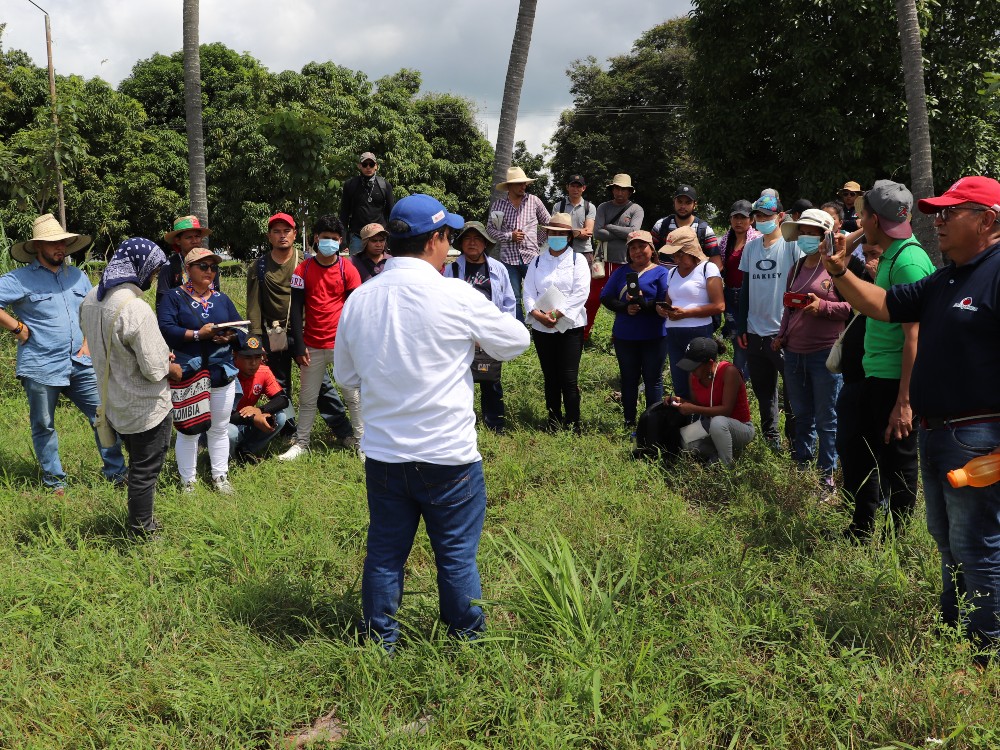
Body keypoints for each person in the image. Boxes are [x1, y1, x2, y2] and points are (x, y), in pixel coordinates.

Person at [334, 193, 530, 650]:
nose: (453, 247)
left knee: (384, 556)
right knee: (456, 557)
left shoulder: (360, 299)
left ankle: (379, 643)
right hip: (449, 458)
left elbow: (346, 375)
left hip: (385, 456)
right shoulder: (455, 294)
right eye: (449, 238)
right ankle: (466, 642)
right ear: (435, 241)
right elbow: (515, 340)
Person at [821, 175, 1000, 661]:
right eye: (935, 212)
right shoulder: (947, 277)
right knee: (946, 540)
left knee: (978, 545)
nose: (936, 221)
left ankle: (986, 650)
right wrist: (840, 272)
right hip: (938, 430)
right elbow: (881, 305)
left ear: (988, 220)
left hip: (982, 435)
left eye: (949, 212)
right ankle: (954, 633)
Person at [830, 181, 934, 539]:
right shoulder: (889, 251)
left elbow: (915, 336)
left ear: (875, 219)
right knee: (854, 449)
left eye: (862, 215)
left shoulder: (908, 261)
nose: (857, 220)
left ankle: (897, 542)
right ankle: (861, 527)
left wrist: (904, 403)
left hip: (895, 381)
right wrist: (856, 236)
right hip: (871, 375)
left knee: (897, 464)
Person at [0, 213, 126, 493]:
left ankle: (117, 475)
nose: (60, 248)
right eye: (53, 243)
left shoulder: (77, 276)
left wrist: (90, 341)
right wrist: (17, 327)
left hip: (81, 362)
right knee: (44, 424)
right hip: (40, 364)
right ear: (38, 247)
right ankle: (55, 482)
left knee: (102, 417)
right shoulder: (20, 279)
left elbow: (93, 310)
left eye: (64, 243)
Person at [80, 238, 182, 537]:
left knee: (137, 465)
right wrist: (171, 367)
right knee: (144, 471)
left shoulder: (89, 300)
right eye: (152, 272)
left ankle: (141, 522)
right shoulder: (135, 308)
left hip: (114, 403)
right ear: (140, 268)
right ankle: (142, 529)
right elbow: (153, 369)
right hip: (145, 407)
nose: (153, 278)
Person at [246, 212, 356, 445]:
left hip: (305, 334)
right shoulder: (259, 266)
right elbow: (253, 306)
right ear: (269, 236)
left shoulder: (305, 261)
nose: (282, 236)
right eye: (276, 231)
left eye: (286, 231)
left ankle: (344, 430)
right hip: (273, 335)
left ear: (295, 234)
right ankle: (287, 431)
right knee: (279, 384)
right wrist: (255, 342)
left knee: (323, 386)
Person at [773, 209, 860, 493]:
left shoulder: (837, 266)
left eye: (813, 232)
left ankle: (827, 477)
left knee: (827, 418)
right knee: (801, 414)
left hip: (824, 354)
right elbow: (789, 306)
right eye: (803, 232)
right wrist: (781, 335)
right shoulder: (796, 268)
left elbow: (854, 308)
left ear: (825, 237)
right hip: (794, 352)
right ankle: (802, 465)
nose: (807, 237)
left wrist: (822, 307)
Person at [158, 247, 243, 494]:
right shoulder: (173, 297)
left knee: (219, 427)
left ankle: (220, 477)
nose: (210, 271)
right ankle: (188, 482)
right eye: (203, 266)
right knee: (189, 429)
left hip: (221, 372)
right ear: (188, 269)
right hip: (189, 374)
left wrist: (229, 336)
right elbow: (165, 328)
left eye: (214, 267)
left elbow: (239, 327)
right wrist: (197, 334)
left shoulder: (221, 298)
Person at [280, 216, 363, 461]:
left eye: (334, 239)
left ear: (341, 242)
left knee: (353, 396)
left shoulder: (347, 269)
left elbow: (355, 308)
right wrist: (299, 344)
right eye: (325, 237)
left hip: (342, 346)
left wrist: (354, 344)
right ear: (315, 238)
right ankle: (301, 443)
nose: (329, 242)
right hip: (312, 345)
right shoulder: (302, 269)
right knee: (307, 398)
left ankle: (361, 443)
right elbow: (295, 309)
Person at [736, 193, 802, 451]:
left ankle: (795, 440)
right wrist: (742, 326)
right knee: (764, 391)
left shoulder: (791, 246)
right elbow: (744, 290)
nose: (762, 220)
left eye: (767, 216)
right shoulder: (751, 248)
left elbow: (801, 285)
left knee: (793, 392)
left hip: (783, 333)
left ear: (780, 217)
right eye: (759, 216)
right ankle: (771, 437)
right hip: (755, 332)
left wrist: (792, 327)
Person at [523, 213, 592, 433]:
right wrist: (536, 313)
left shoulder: (577, 260)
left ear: (569, 237)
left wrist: (559, 314)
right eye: (552, 232)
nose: (556, 237)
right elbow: (528, 291)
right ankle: (553, 421)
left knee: (568, 378)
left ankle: (573, 423)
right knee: (550, 376)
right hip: (542, 326)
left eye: (561, 234)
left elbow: (581, 292)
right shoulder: (537, 260)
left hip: (569, 326)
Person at [448, 221, 517, 433]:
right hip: (462, 334)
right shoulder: (452, 269)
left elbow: (509, 302)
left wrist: (503, 331)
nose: (472, 243)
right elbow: (445, 302)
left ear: (485, 243)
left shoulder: (498, 268)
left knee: (492, 379)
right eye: (467, 238)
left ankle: (495, 423)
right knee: (461, 379)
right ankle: (463, 425)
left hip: (490, 332)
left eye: (477, 238)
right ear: (461, 244)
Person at [600, 230, 670, 429]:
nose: (637, 251)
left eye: (642, 246)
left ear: (652, 249)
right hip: (625, 335)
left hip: (654, 335)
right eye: (633, 247)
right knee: (629, 379)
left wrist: (641, 301)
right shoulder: (620, 272)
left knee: (653, 380)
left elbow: (662, 304)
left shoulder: (661, 272)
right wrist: (625, 307)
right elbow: (605, 297)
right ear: (628, 251)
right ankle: (629, 422)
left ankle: (652, 423)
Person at [658, 226, 725, 401]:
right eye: (673, 255)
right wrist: (663, 309)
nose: (676, 258)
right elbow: (670, 301)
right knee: (680, 382)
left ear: (691, 250)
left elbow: (719, 306)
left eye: (680, 254)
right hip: (673, 334)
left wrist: (686, 313)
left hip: (698, 334)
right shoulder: (672, 273)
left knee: (701, 382)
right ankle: (685, 422)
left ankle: (704, 421)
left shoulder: (707, 269)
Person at [670, 337, 754, 466]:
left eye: (694, 367)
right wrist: (680, 401)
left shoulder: (729, 371)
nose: (691, 371)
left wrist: (693, 409)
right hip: (712, 425)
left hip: (740, 428)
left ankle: (727, 466)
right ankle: (716, 455)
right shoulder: (694, 376)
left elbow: (726, 410)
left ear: (709, 363)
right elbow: (699, 405)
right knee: (684, 440)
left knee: (718, 422)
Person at [486, 166, 551, 321]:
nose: (523, 186)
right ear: (509, 186)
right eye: (519, 183)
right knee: (513, 295)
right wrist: (510, 236)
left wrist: (538, 240)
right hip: (508, 259)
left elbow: (548, 223)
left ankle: (540, 325)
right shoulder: (498, 206)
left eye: (524, 183)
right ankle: (519, 328)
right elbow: (490, 230)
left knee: (537, 291)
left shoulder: (534, 201)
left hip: (531, 256)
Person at [551, 175, 600, 340]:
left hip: (584, 253)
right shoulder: (559, 205)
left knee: (582, 290)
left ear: (583, 188)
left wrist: (569, 231)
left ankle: (580, 327)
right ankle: (559, 322)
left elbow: (589, 233)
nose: (575, 189)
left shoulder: (589, 207)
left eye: (579, 186)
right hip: (561, 252)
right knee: (561, 288)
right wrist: (578, 231)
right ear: (567, 187)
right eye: (573, 185)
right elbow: (554, 229)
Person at [717, 200, 761, 380]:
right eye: (735, 217)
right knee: (736, 337)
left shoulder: (757, 240)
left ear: (751, 220)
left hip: (751, 294)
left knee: (751, 336)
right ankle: (739, 378)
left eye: (743, 218)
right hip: (730, 293)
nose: (739, 222)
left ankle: (748, 377)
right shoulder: (726, 241)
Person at [650, 185, 721, 268]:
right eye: (680, 202)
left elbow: (716, 263)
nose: (683, 206)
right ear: (674, 202)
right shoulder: (661, 225)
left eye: (688, 203)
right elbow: (650, 252)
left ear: (695, 204)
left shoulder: (704, 229)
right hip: (665, 279)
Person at [156, 215, 213, 312]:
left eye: (197, 237)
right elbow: (162, 302)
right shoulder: (169, 266)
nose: (194, 241)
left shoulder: (210, 263)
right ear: (178, 241)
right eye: (189, 238)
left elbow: (217, 293)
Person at [339, 152, 395, 252]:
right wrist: (343, 238)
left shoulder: (385, 185)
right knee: (357, 267)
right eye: (365, 164)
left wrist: (391, 237)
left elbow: (391, 213)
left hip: (379, 236)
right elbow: (344, 214)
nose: (368, 167)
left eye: (371, 164)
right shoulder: (350, 185)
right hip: (357, 236)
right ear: (359, 166)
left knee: (380, 267)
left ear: (376, 166)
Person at [594, 173, 644, 277]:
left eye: (624, 189)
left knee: (626, 292)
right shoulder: (603, 207)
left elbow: (633, 233)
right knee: (603, 293)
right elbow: (598, 233)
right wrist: (624, 234)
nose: (619, 192)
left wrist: (608, 226)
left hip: (628, 261)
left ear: (629, 192)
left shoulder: (636, 209)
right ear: (612, 190)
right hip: (604, 261)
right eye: (617, 188)